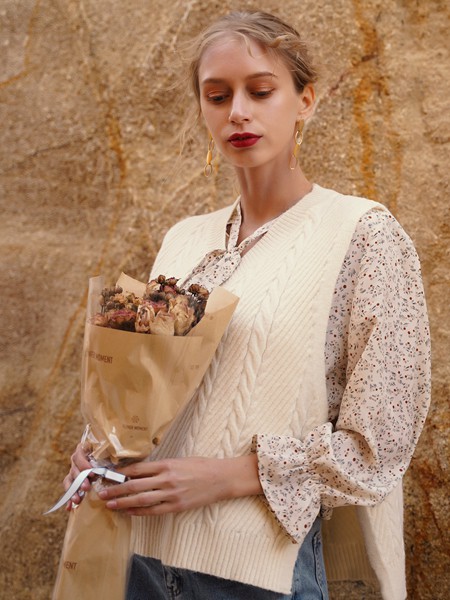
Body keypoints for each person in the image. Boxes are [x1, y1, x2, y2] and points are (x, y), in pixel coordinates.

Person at [65, 10, 431, 600]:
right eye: (217, 96)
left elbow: (379, 442)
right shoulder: (184, 239)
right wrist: (97, 447)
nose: (237, 111)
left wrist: (230, 475)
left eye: (260, 91)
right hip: (137, 559)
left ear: (305, 101)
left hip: (254, 574)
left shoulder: (363, 234)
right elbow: (142, 390)